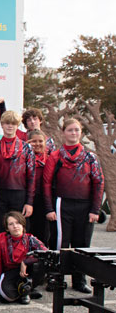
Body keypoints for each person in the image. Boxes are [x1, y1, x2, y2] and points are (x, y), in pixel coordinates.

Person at [44, 118, 104, 293]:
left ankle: (80, 280)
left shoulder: (90, 157)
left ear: (81, 133)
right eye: (70, 130)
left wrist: (95, 209)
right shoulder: (55, 156)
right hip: (62, 204)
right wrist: (49, 208)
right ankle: (55, 278)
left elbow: (98, 182)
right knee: (59, 243)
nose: (73, 133)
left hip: (85, 207)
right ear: (63, 132)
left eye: (77, 130)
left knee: (83, 244)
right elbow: (46, 183)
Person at [0, 110, 35, 231]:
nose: (10, 126)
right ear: (2, 124)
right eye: (7, 123)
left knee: (19, 229)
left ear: (17, 126)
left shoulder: (26, 148)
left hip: (20, 193)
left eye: (13, 124)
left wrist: (29, 202)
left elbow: (31, 176)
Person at [0, 211, 47, 304]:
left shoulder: (30, 238)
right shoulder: (1, 239)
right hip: (10, 271)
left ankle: (27, 290)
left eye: (17, 223)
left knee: (41, 264)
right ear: (7, 228)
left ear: (23, 225)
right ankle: (24, 292)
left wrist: (26, 262)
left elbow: (45, 252)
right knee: (5, 297)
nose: (15, 226)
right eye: (11, 224)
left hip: (28, 271)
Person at [26, 129, 51, 247]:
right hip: (28, 200)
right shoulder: (23, 158)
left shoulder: (50, 159)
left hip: (44, 200)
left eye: (40, 141)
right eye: (34, 141)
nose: (37, 144)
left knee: (44, 233)